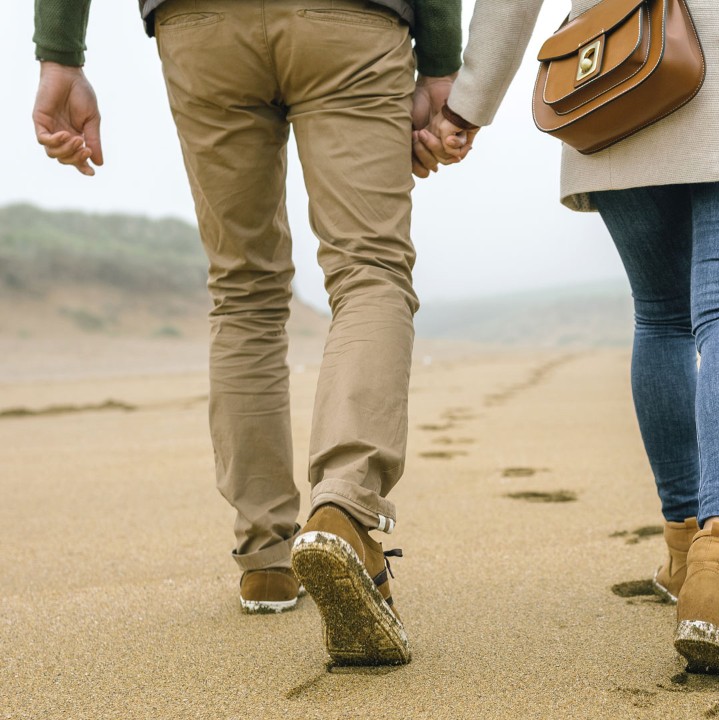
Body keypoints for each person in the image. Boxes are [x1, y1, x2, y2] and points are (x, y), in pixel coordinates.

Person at [32, 0, 464, 666]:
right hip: (349, 20)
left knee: (243, 289)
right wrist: (440, 63)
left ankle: (265, 554)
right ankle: (344, 507)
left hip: (200, 24)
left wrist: (59, 51)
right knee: (368, 269)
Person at [424, 0, 719, 676]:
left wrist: (466, 104)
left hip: (619, 61)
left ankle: (683, 553)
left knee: (661, 315)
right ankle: (718, 563)